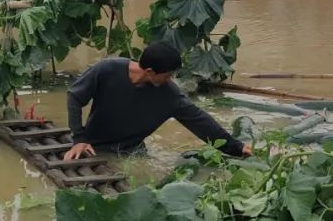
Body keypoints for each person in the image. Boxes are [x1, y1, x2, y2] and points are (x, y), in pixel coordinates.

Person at [63, 40, 252, 160]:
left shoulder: (169, 94)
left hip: (132, 153)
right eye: (168, 75)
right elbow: (74, 96)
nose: (170, 80)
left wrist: (237, 147)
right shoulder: (107, 69)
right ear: (150, 72)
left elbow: (200, 121)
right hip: (94, 146)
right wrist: (79, 138)